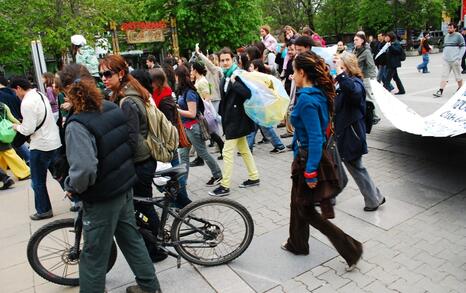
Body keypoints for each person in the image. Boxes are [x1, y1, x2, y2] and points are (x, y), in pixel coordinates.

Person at [59, 64, 162, 293]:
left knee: (94, 255)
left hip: (102, 197)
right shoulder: (110, 107)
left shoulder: (77, 123)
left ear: (67, 90)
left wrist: (72, 186)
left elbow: (84, 169)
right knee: (131, 240)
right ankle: (149, 286)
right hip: (123, 188)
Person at [282, 51, 362, 272]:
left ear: (302, 72)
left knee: (305, 210)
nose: (292, 75)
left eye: (294, 71)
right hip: (307, 157)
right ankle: (297, 243)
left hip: (308, 158)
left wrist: (310, 172)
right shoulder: (317, 93)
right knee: (296, 203)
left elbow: (316, 137)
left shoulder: (307, 100)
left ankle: (351, 249)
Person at [99, 56, 169, 263]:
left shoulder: (127, 100)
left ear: (121, 74)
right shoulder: (127, 93)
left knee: (144, 206)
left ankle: (156, 248)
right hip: (141, 159)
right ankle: (155, 243)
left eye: (107, 74)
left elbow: (130, 137)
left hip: (140, 161)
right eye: (101, 74)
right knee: (142, 205)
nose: (103, 78)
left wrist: (113, 161)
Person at [334, 52, 385, 211]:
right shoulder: (343, 82)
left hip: (351, 134)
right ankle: (376, 196)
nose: (337, 69)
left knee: (355, 167)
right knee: (347, 167)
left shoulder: (355, 82)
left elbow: (353, 93)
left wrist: (340, 75)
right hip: (344, 133)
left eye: (341, 66)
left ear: (347, 67)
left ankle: (373, 200)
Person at [209, 47, 260, 197]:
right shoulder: (225, 75)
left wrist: (235, 83)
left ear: (233, 60)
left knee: (227, 152)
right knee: (244, 149)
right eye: (222, 60)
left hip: (237, 120)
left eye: (227, 60)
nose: (224, 63)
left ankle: (225, 185)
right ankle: (254, 176)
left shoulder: (237, 75)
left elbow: (248, 93)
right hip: (231, 118)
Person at [10, 77, 61, 220]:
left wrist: (16, 126)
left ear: (19, 88)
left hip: (40, 145)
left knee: (38, 180)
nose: (16, 95)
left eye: (15, 91)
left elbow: (28, 129)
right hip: (53, 141)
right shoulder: (40, 95)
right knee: (59, 174)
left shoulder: (26, 102)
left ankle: (43, 210)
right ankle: (77, 201)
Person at [150, 68, 192, 208]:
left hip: (168, 142)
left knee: (175, 174)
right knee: (174, 174)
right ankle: (181, 202)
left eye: (151, 81)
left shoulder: (165, 98)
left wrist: (166, 142)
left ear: (157, 82)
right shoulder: (159, 94)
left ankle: (183, 203)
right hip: (167, 141)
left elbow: (169, 123)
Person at [175, 65, 223, 186]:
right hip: (186, 128)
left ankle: (218, 175)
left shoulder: (190, 93)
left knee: (202, 152)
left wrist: (177, 110)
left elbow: (192, 113)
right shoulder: (184, 91)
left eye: (176, 76)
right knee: (183, 155)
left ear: (179, 77)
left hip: (192, 127)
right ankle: (182, 182)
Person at [191, 61, 224, 160]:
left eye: (192, 69)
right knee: (208, 132)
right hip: (201, 109)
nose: (191, 71)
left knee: (209, 132)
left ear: (195, 70)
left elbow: (207, 97)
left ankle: (221, 148)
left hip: (204, 110)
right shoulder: (198, 80)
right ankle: (201, 156)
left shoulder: (202, 81)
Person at [0, 76, 30, 163]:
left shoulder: (2, 95)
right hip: (18, 120)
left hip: (9, 125)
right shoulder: (13, 92)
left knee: (12, 145)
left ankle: (28, 160)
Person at [353, 31, 380, 123]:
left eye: (356, 40)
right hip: (359, 77)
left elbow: (371, 65)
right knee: (363, 97)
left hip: (367, 78)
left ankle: (376, 116)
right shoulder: (355, 50)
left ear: (362, 40)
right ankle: (367, 114)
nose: (354, 41)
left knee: (369, 97)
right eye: (354, 40)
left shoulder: (366, 51)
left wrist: (372, 78)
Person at [433, 23, 466, 97]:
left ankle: (460, 88)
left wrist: (459, 58)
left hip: (455, 60)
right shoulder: (446, 36)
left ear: (455, 29)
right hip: (446, 60)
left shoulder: (459, 36)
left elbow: (463, 47)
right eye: (448, 28)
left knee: (458, 76)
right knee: (444, 75)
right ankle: (440, 90)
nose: (449, 29)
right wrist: (444, 56)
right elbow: (446, 47)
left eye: (451, 28)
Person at [0, 102, 30, 180]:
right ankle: (3, 176)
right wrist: (20, 125)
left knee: (9, 154)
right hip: (4, 134)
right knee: (6, 154)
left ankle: (24, 172)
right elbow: (11, 118)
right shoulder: (3, 106)